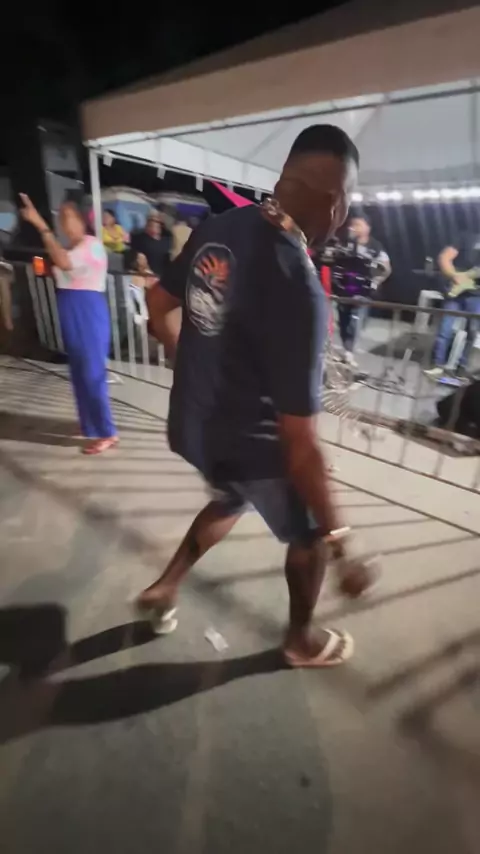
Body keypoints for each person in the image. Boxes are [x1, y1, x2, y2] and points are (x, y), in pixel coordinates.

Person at [137, 124, 374, 667]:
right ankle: (300, 640)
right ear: (333, 202)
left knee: (229, 497)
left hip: (193, 424)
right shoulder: (299, 285)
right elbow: (299, 443)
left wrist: (185, 356)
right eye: (346, 201)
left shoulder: (219, 226)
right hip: (251, 440)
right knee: (309, 533)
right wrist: (341, 539)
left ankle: (166, 586)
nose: (343, 215)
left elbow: (156, 305)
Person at [20, 195, 118, 455]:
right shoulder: (69, 247)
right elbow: (58, 267)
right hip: (71, 308)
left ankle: (107, 432)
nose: (64, 222)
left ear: (82, 220)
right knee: (79, 372)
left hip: (87, 310)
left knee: (92, 373)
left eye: (69, 216)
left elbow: (64, 263)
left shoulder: (91, 245)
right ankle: (90, 425)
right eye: (61, 217)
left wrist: (41, 226)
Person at [332, 214, 391, 366]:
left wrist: (376, 281)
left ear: (367, 228)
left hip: (362, 292)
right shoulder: (344, 243)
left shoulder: (375, 246)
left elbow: (386, 268)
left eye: (358, 224)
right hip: (344, 289)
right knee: (343, 320)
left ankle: (349, 351)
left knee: (356, 320)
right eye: (352, 225)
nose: (353, 228)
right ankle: (346, 348)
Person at [425, 234, 480, 379]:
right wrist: (454, 276)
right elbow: (444, 257)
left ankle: (462, 367)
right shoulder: (467, 237)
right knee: (445, 328)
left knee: (472, 332)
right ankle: (437, 364)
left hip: (476, 295)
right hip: (456, 290)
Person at [130, 210, 171, 279]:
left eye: (157, 221)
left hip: (162, 276)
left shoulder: (167, 240)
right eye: (151, 221)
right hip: (145, 275)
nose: (154, 224)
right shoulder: (139, 238)